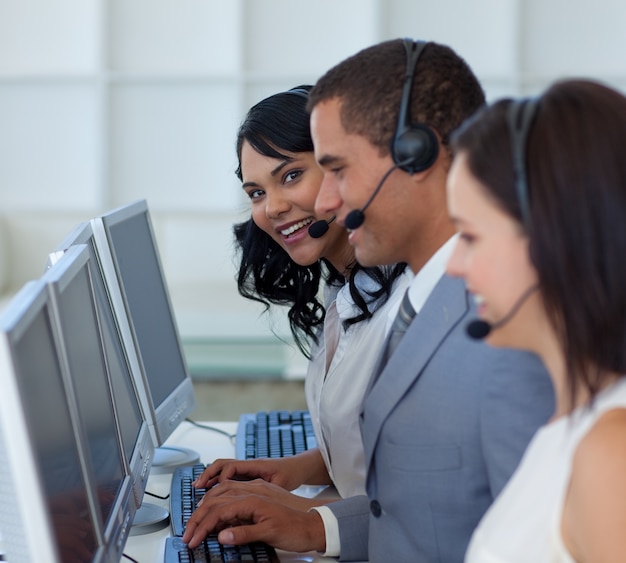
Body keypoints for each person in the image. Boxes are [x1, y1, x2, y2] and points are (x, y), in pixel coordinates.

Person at [183, 39, 554, 562]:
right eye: (256, 192)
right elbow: (422, 495)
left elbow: (520, 526)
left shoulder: (497, 319)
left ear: (416, 155)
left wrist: (314, 525)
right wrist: (306, 497)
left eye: (334, 171)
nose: (328, 201)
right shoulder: (392, 296)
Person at [199, 85, 410, 502]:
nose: (272, 208)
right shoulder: (339, 284)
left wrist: (307, 518)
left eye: (291, 175)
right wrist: (290, 470)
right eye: (257, 193)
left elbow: (425, 496)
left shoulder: (407, 303)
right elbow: (369, 451)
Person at [445, 79, 626, 562]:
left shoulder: (612, 453)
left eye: (469, 235)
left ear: (551, 237)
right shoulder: (572, 424)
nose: (453, 265)